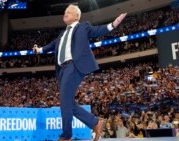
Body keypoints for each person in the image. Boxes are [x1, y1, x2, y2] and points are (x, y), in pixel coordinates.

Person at [32, 4, 127, 141]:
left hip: (74, 66)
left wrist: (113, 24)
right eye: (65, 12)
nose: (65, 13)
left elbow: (97, 30)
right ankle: (94, 122)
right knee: (67, 103)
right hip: (63, 70)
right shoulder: (61, 34)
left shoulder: (83, 26)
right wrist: (39, 50)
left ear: (77, 16)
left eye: (68, 12)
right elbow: (50, 46)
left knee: (65, 102)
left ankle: (66, 136)